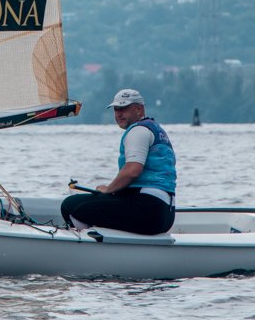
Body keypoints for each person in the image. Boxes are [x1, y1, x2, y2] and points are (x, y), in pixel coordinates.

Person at [60, 88, 176, 235]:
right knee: (94, 202)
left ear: (139, 109)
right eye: (116, 109)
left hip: (149, 209)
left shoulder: (138, 131)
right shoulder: (157, 130)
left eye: (124, 109)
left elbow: (133, 171)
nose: (118, 114)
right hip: (165, 214)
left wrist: (109, 189)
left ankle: (89, 246)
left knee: (71, 205)